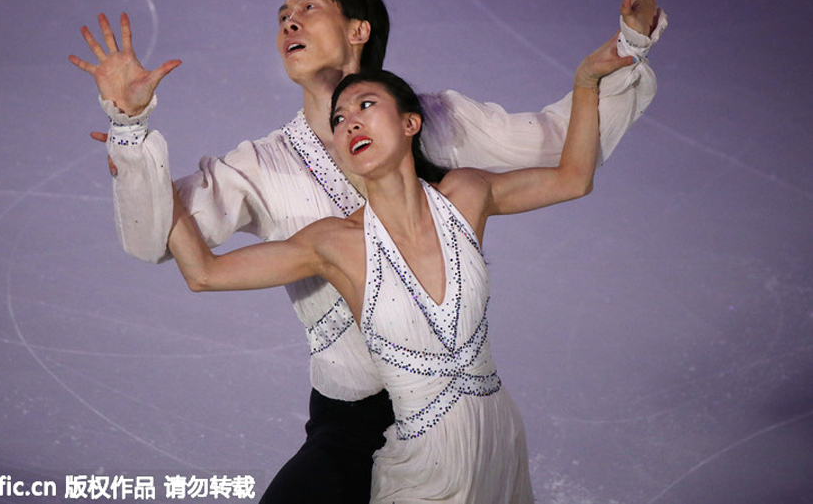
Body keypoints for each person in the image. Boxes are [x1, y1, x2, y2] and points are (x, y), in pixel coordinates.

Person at [70, 0, 665, 502]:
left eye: (309, 7)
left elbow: (561, 155)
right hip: (354, 417)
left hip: (472, 417)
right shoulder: (262, 166)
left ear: (359, 31)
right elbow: (164, 243)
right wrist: (131, 130)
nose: (289, 23)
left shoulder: (435, 122)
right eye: (282, 15)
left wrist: (627, 49)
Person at [166, 53, 633, 502]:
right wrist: (138, 141)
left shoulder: (465, 196)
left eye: (365, 105)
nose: (349, 122)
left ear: (411, 123)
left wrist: (587, 79)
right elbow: (204, 273)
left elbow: (574, 178)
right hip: (422, 470)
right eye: (339, 119)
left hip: (499, 447)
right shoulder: (336, 244)